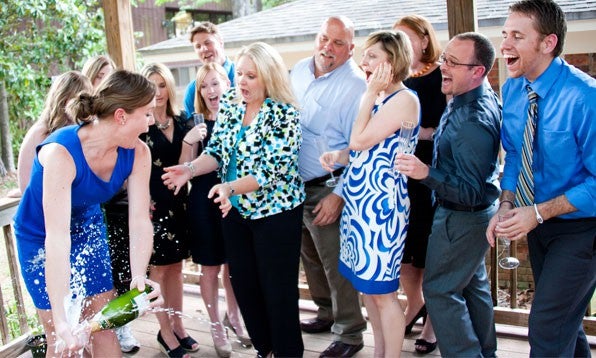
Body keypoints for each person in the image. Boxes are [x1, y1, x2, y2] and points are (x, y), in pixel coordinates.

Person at [162, 42, 305, 357]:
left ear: (268, 77)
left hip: (276, 213)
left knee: (278, 292)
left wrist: (229, 188)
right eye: (239, 73)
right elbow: (216, 151)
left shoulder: (285, 113)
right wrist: (189, 168)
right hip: (236, 212)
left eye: (251, 76)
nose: (242, 81)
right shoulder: (229, 102)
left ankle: (287, 352)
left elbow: (270, 171)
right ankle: (265, 349)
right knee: (244, 285)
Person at [13, 69, 163, 356]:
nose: (150, 122)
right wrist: (60, 316)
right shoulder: (61, 153)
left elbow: (140, 220)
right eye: (146, 114)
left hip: (87, 227)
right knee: (62, 335)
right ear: (121, 116)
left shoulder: (138, 153)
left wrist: (138, 277)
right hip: (40, 236)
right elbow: (56, 238)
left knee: (101, 324)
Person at [487, 0, 596, 356]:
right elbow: (517, 154)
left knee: (547, 324)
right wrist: (506, 203)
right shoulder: (515, 89)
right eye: (505, 34)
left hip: (584, 229)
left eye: (517, 36)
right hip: (540, 226)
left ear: (547, 43)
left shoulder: (586, 98)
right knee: (564, 323)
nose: (505, 44)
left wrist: (536, 213)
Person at [395, 32, 501, 357]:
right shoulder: (470, 97)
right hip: (473, 218)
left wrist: (426, 173)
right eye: (445, 58)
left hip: (462, 218)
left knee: (439, 290)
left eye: (454, 62)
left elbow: (470, 191)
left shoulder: (473, 120)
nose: (444, 66)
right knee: (472, 286)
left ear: (478, 71)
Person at [322, 30, 420, 358]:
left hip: (381, 210)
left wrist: (369, 93)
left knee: (382, 293)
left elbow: (360, 140)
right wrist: (338, 156)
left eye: (372, 56)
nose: (364, 62)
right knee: (367, 291)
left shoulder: (404, 99)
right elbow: (367, 151)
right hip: (359, 205)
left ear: (392, 62)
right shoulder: (380, 98)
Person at [290, 15, 367, 358]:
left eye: (338, 43)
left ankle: (350, 333)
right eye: (324, 38)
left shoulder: (357, 86)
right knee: (311, 258)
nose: (328, 47)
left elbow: (361, 147)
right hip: (294, 185)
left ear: (351, 49)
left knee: (337, 264)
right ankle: (325, 312)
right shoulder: (297, 71)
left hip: (329, 186)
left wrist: (339, 195)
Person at [179, 62, 251, 358]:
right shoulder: (194, 123)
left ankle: (234, 318)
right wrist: (189, 140)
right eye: (204, 86)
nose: (210, 90)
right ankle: (215, 326)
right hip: (203, 202)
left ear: (227, 85)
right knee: (210, 267)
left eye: (215, 84)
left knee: (233, 266)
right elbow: (186, 169)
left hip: (235, 200)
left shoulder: (241, 117)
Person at [392, 14, 444, 354]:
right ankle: (415, 303)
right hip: (400, 176)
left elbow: (453, 126)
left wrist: (422, 132)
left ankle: (432, 324)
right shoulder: (397, 78)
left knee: (429, 252)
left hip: (430, 173)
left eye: (408, 38)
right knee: (406, 255)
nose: (403, 44)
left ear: (424, 40)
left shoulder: (442, 74)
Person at [139, 62, 198, 358]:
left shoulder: (183, 119)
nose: (158, 92)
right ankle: (164, 334)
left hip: (180, 204)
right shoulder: (141, 125)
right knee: (158, 273)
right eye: (151, 86)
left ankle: (178, 325)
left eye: (162, 85)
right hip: (152, 206)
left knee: (177, 269)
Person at [16, 71, 92, 196]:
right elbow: (26, 186)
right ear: (63, 99)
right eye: (78, 99)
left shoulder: (83, 129)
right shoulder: (40, 133)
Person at [183, 21, 236, 116]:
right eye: (198, 46)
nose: (203, 49)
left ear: (220, 42)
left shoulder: (241, 76)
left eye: (207, 43)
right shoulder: (192, 90)